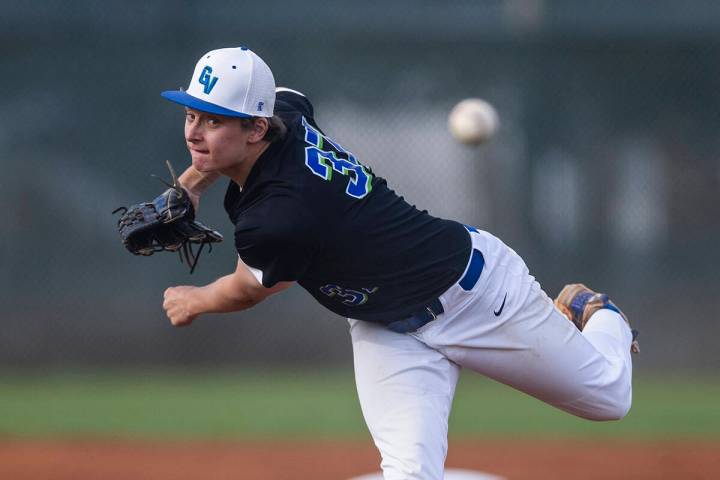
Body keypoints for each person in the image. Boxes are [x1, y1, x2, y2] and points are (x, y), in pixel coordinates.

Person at [158, 46, 639, 479]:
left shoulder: (278, 216)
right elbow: (287, 93)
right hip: (384, 326)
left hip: (473, 294)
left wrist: (193, 300)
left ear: (256, 127)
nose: (194, 132)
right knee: (409, 474)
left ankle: (593, 311)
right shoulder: (284, 116)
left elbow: (250, 287)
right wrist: (190, 189)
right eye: (192, 116)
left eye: (214, 120)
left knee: (608, 399)